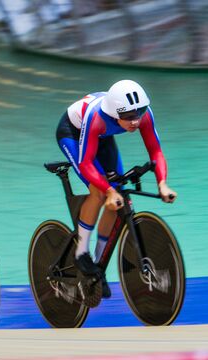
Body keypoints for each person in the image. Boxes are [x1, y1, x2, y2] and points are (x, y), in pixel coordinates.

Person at [56, 79, 177, 298]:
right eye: (129, 117)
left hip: (103, 136)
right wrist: (108, 190)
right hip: (72, 133)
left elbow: (156, 152)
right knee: (101, 193)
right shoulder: (97, 118)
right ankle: (81, 252)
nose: (135, 121)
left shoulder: (142, 114)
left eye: (138, 114)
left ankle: (98, 266)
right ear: (114, 114)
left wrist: (162, 183)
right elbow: (86, 163)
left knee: (118, 197)